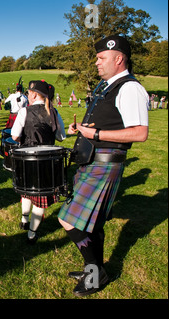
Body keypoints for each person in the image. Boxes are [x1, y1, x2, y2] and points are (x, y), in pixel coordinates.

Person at [58, 35, 149, 297]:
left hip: (105, 163)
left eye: (102, 58)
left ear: (118, 59)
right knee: (92, 224)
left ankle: (96, 270)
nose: (96, 62)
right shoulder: (107, 86)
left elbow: (139, 133)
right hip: (91, 161)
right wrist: (83, 130)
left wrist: (95, 135)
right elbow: (110, 123)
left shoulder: (130, 88)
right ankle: (94, 272)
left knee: (69, 220)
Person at [11, 80, 65, 244]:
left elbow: (14, 136)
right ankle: (32, 234)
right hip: (47, 161)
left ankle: (24, 220)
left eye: (29, 92)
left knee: (28, 191)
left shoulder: (24, 112)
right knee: (40, 197)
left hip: (28, 159)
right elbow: (61, 137)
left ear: (34, 94)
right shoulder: (54, 112)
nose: (28, 95)